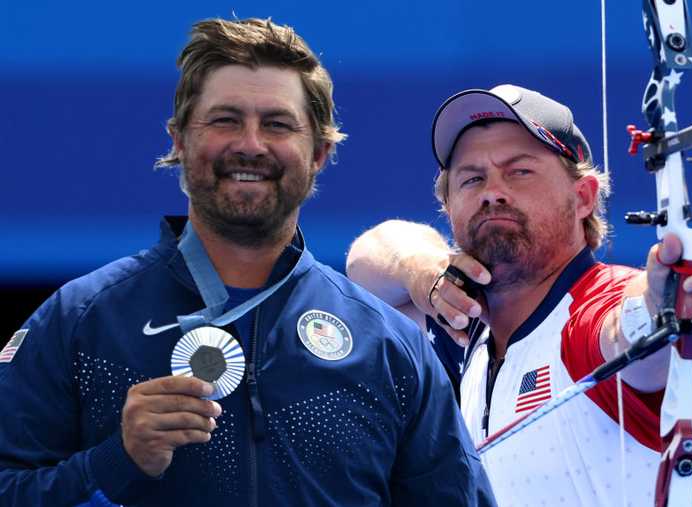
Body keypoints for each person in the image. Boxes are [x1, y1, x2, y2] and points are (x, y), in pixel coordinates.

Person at [0, 18, 495, 507]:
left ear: (319, 152)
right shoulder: (81, 321)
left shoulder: (387, 345)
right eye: (225, 120)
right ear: (178, 139)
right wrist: (115, 461)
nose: (250, 144)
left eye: (277, 124)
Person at [346, 84, 692, 506]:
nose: (492, 191)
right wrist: (422, 272)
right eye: (472, 178)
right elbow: (366, 261)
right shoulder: (466, 330)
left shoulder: (591, 310)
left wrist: (668, 295)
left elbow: (628, 330)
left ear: (584, 197)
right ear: (449, 208)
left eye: (520, 171)